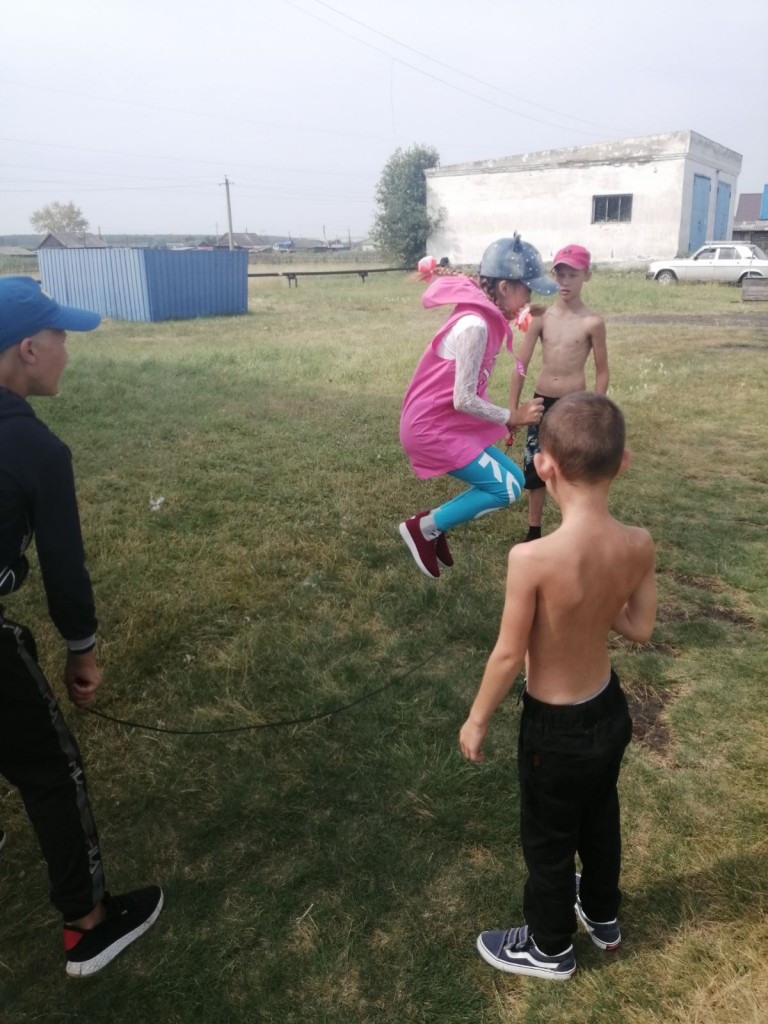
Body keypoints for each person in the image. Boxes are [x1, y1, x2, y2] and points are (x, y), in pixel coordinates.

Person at [459, 391, 656, 980]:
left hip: (555, 731)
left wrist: (476, 720)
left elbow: (507, 655)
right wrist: (599, 602)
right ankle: (603, 915)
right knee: (599, 818)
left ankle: (549, 948)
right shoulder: (639, 543)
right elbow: (640, 628)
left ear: (542, 466)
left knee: (548, 839)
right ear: (622, 463)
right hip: (609, 712)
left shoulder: (533, 559)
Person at [0, 276, 164, 978]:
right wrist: (82, 652)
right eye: (61, 337)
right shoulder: (35, 449)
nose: (68, 350)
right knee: (49, 767)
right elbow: (65, 570)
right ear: (28, 349)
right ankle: (88, 927)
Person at [399, 236, 558, 578]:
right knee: (509, 488)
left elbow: (464, 396)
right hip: (431, 429)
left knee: (514, 479)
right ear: (504, 287)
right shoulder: (475, 325)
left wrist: (503, 421)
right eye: (527, 291)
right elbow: (464, 398)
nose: (529, 300)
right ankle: (424, 528)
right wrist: (513, 415)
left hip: (445, 424)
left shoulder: (484, 318)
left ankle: (433, 527)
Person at [508, 244, 608, 543]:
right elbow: (521, 365)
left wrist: (597, 411)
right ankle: (534, 530)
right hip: (542, 401)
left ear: (586, 276)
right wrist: (513, 410)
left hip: (574, 405)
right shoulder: (541, 316)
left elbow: (602, 370)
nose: (565, 282)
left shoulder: (592, 322)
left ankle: (572, 528)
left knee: (572, 468)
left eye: (572, 275)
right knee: (536, 466)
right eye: (560, 274)